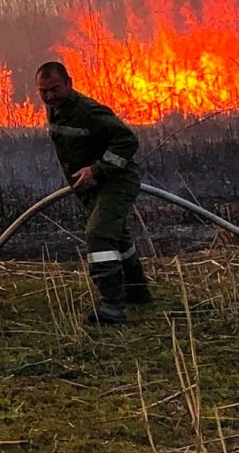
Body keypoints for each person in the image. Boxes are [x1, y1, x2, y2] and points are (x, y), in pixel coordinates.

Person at [36, 60, 153, 324]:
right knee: (118, 236)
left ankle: (112, 306)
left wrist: (97, 171)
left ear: (69, 83)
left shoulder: (87, 111)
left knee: (99, 234)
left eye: (55, 89)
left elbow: (127, 141)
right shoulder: (56, 110)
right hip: (91, 186)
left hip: (116, 181)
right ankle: (137, 292)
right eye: (43, 91)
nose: (49, 96)